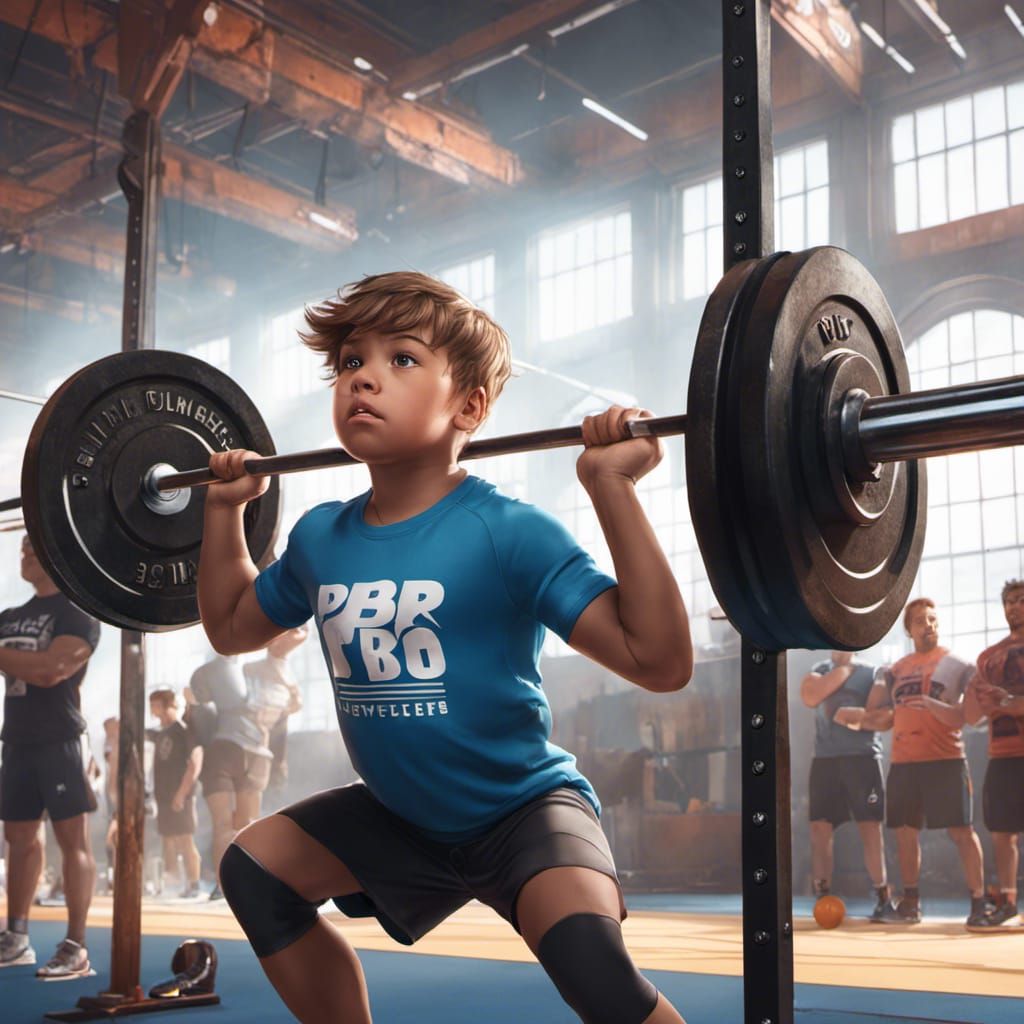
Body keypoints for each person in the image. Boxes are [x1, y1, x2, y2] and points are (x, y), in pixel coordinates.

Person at [197, 272, 692, 1024]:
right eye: (351, 361)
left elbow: (658, 662)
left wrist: (610, 488)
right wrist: (223, 514)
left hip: (523, 809)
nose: (363, 375)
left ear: (470, 405)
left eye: (401, 359)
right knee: (254, 870)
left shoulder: (510, 532)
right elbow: (232, 626)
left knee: (596, 970)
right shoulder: (319, 537)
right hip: (400, 816)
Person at [0, 535, 100, 978]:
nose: (24, 554)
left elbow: (50, 671)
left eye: (33, 548)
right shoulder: (9, 617)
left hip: (61, 739)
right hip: (17, 740)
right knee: (18, 841)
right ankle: (17, 937)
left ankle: (76, 946)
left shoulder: (77, 613)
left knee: (72, 842)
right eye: (21, 548)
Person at [870, 598, 992, 928]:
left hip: (946, 760)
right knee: (905, 834)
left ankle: (979, 904)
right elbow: (878, 712)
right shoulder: (897, 668)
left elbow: (967, 716)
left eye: (933, 619)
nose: (929, 625)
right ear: (909, 630)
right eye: (921, 620)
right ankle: (911, 903)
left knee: (962, 832)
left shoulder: (957, 663)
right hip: (904, 762)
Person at [800, 650, 896, 921]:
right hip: (825, 761)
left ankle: (882, 897)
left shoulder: (873, 672)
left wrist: (860, 718)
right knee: (819, 828)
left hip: (863, 758)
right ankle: (822, 895)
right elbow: (810, 696)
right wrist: (844, 670)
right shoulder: (819, 668)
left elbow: (885, 716)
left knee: (870, 828)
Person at [184, 651, 271, 900]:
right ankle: (236, 886)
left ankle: (227, 886)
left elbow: (196, 710)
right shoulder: (257, 668)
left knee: (231, 824)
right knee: (244, 824)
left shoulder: (209, 672)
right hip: (247, 749)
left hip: (236, 750)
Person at [964, 579, 1024, 928]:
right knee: (1002, 832)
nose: (1014, 607)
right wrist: (976, 695)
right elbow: (971, 717)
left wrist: (1012, 704)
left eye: (1020, 600)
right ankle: (1007, 902)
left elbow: (1010, 704)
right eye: (1009, 601)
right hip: (1001, 754)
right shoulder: (987, 658)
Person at [147, 690, 204, 899]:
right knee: (168, 840)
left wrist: (182, 793)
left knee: (185, 840)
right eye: (151, 705)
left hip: (181, 796)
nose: (153, 710)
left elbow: (194, 763)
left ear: (170, 705)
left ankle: (195, 884)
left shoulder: (183, 731)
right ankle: (172, 884)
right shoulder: (158, 733)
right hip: (162, 797)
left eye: (156, 705)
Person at [242, 626, 307, 807]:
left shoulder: (286, 672)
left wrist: (284, 708)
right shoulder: (251, 668)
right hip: (253, 727)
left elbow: (297, 703)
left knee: (275, 769)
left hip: (277, 722)